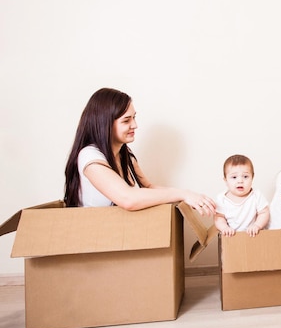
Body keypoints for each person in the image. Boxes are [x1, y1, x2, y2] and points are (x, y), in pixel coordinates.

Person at [64, 87, 216, 216]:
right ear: (105, 124)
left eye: (134, 118)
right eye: (126, 120)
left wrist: (189, 195)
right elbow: (128, 199)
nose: (135, 125)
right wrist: (183, 194)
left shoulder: (126, 155)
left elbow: (148, 188)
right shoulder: (89, 155)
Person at [214, 154, 269, 237]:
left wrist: (257, 225)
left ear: (252, 177)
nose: (240, 181)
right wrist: (224, 228)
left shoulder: (256, 195)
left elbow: (264, 213)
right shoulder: (222, 199)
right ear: (226, 180)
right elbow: (218, 217)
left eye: (245, 176)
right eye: (234, 177)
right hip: (232, 237)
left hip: (253, 235)